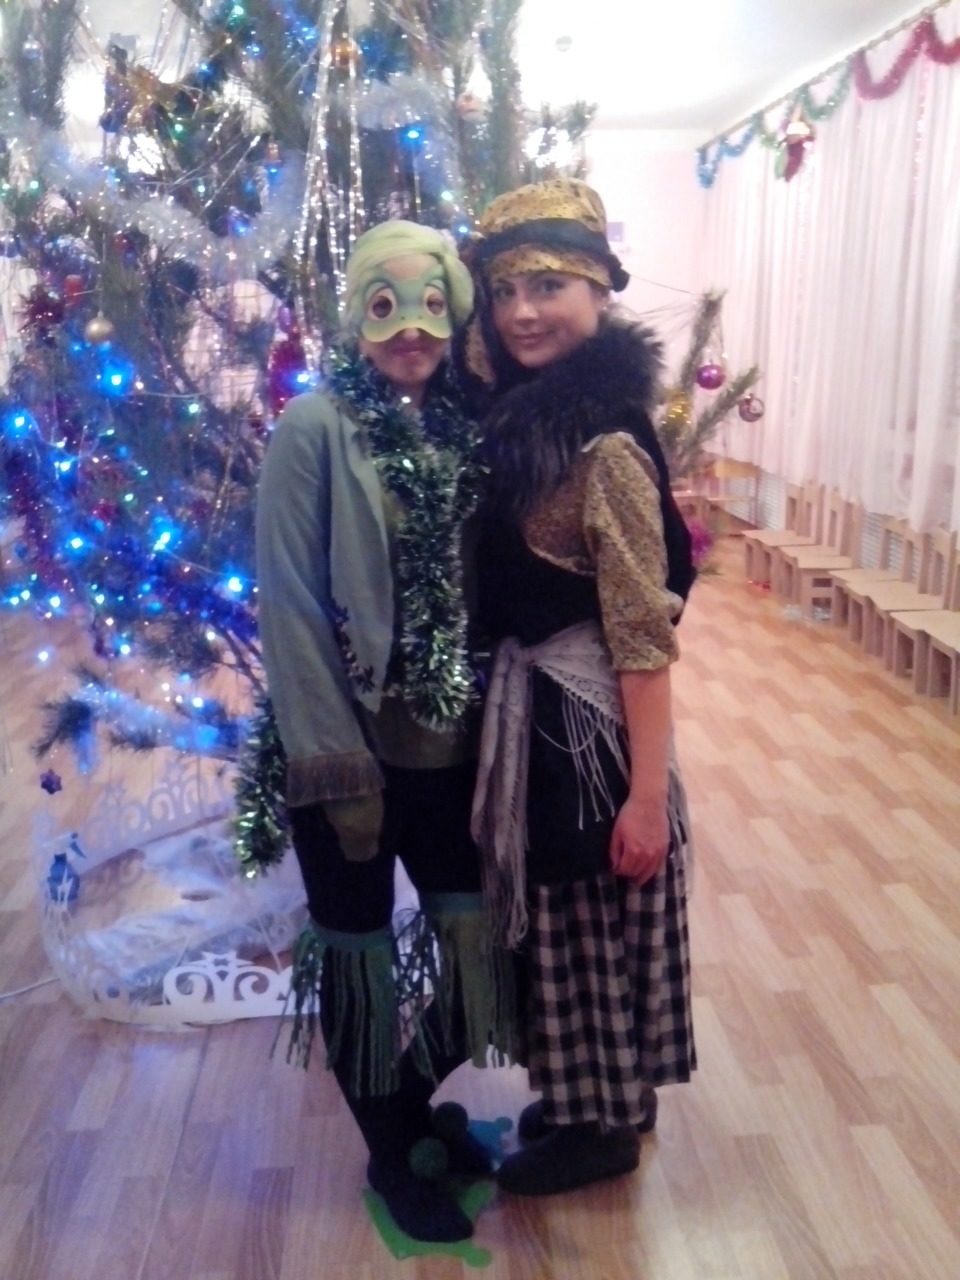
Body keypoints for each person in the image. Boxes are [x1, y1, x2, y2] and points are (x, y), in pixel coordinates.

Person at [255, 221, 513, 1243]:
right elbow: (289, 603)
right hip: (347, 751)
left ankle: (406, 1105)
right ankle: (391, 1150)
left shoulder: (467, 429)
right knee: (357, 958)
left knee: (483, 953)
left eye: (430, 305)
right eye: (385, 305)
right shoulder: (314, 426)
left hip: (450, 748)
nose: (410, 328)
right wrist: (336, 764)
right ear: (356, 316)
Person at [462, 179, 697, 1196]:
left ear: (600, 290)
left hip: (586, 732)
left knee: (584, 911)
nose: (522, 310)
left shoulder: (602, 443)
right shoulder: (530, 418)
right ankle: (596, 1094)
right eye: (505, 289)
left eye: (548, 285)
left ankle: (600, 1128)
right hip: (548, 718)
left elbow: (643, 635)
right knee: (571, 918)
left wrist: (645, 798)